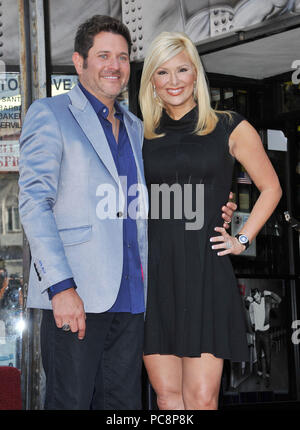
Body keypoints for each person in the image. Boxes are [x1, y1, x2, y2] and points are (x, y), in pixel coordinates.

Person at [18, 16, 235, 410]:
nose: (114, 65)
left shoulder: (138, 128)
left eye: (122, 57)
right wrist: (60, 287)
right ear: (79, 61)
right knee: (70, 403)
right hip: (77, 297)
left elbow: (157, 200)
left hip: (136, 303)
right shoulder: (50, 114)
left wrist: (218, 206)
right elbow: (34, 203)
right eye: (103, 55)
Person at [139, 31, 282, 410]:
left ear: (196, 74)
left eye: (182, 69)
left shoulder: (228, 125)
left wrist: (242, 239)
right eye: (163, 72)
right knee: (168, 397)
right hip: (155, 275)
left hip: (205, 271)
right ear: (151, 80)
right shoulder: (140, 134)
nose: (174, 81)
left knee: (202, 398)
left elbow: (271, 188)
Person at [246, 288, 282, 388]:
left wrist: (270, 293)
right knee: (258, 356)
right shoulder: (252, 304)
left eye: (257, 296)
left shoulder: (266, 301)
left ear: (260, 293)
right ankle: (260, 375)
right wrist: (246, 299)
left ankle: (268, 377)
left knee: (267, 356)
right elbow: (246, 304)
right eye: (254, 297)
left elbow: (279, 300)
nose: (256, 299)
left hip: (266, 333)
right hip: (257, 334)